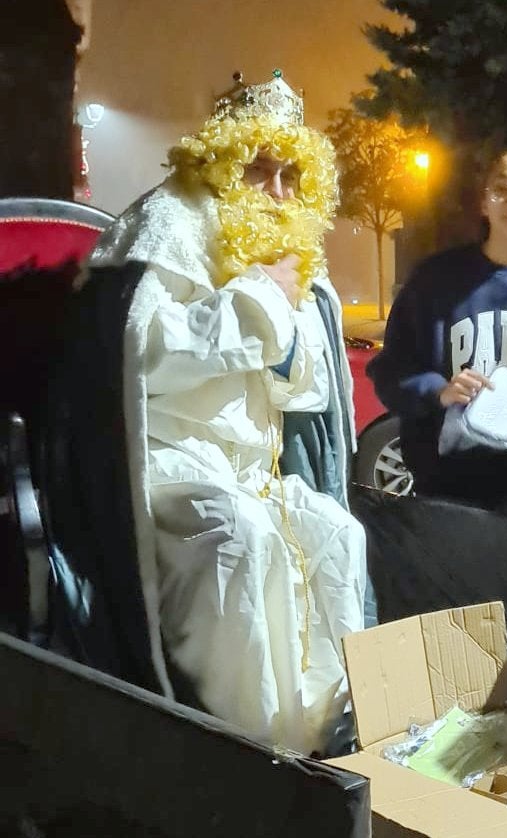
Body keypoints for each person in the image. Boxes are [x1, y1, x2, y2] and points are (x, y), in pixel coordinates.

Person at [53, 71, 367, 755]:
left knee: (337, 535)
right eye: (259, 168)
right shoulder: (165, 223)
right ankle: (246, 756)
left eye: (290, 174)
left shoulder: (286, 252)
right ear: (223, 160)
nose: (277, 192)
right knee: (239, 537)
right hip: (166, 465)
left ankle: (323, 738)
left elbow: (303, 394)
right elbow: (142, 360)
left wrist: (285, 318)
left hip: (250, 472)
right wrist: (257, 300)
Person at [368, 144, 507, 519]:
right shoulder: (436, 279)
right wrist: (439, 390)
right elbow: (389, 370)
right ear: (484, 203)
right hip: (446, 478)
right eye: (502, 189)